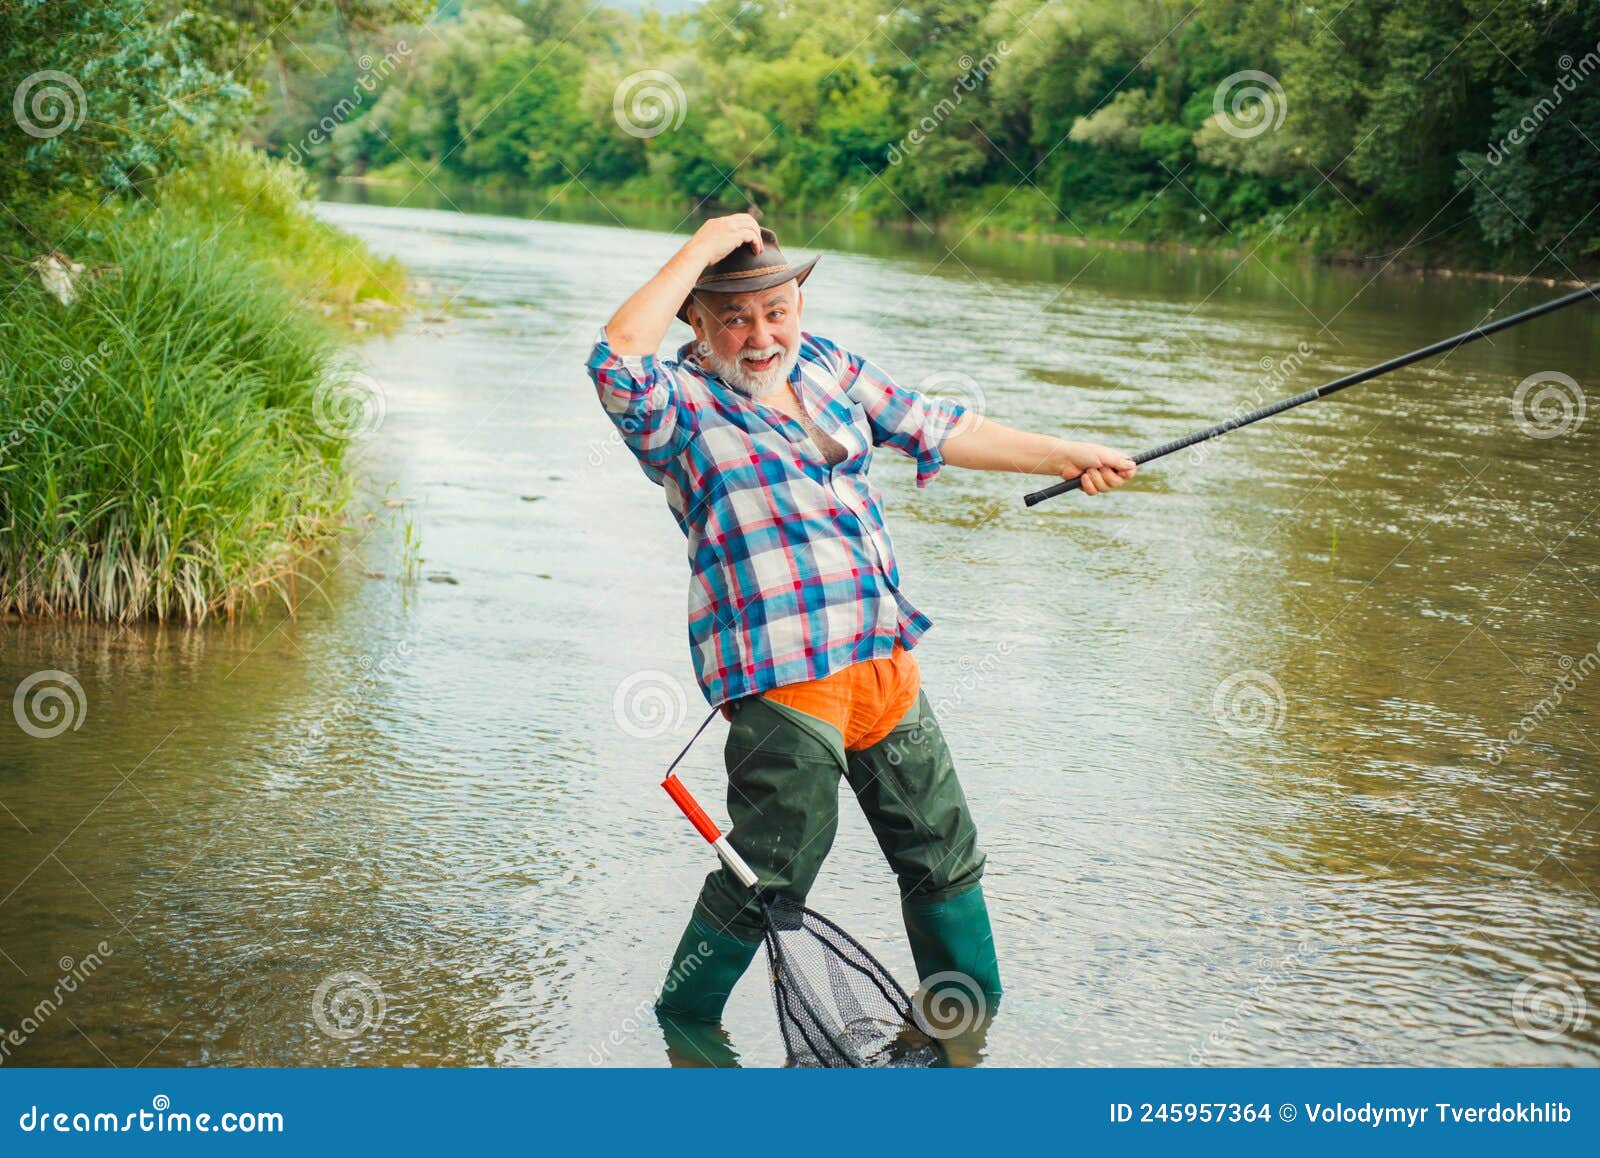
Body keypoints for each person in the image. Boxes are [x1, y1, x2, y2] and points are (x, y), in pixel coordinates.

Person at [585, 214, 1136, 1027]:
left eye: (776, 311)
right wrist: (703, 245)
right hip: (788, 688)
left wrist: (1065, 455)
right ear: (695, 323)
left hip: (885, 669)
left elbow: (941, 426)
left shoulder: (829, 366)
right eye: (733, 317)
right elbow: (612, 358)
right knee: (773, 871)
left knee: (944, 854)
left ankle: (968, 1032)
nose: (761, 335)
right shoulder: (677, 408)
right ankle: (685, 1028)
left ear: (797, 307)